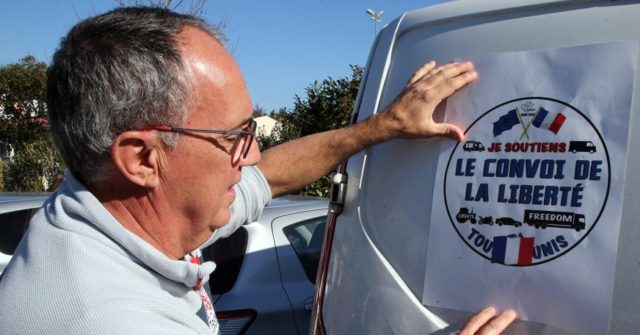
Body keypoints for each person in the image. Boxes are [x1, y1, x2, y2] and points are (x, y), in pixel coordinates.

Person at [0, 7, 516, 335]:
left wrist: (381, 126)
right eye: (234, 138)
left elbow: (271, 176)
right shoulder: (110, 318)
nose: (249, 156)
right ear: (140, 159)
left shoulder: (114, 212)